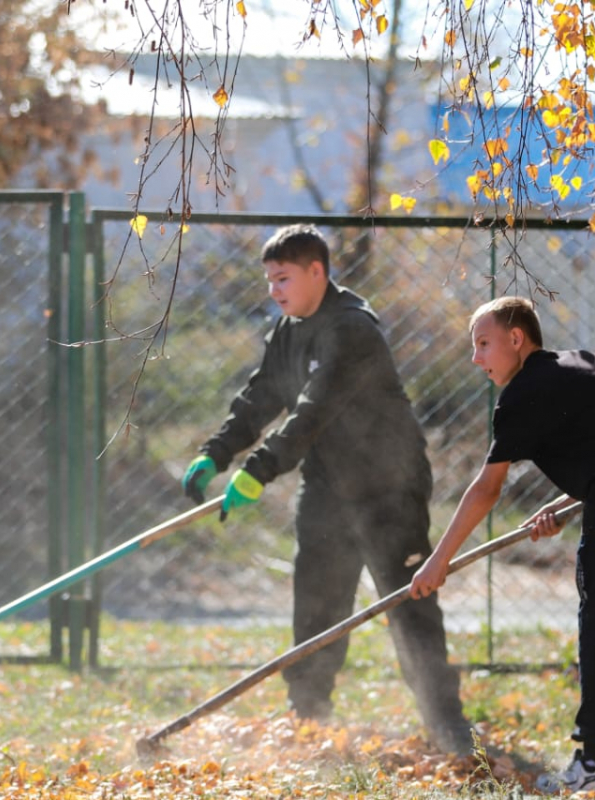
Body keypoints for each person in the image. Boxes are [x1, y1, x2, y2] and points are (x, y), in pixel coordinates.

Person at [180, 223, 472, 754]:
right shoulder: (288, 332)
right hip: (327, 488)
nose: (274, 290)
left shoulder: (352, 330)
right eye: (269, 280)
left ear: (318, 271)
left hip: (390, 486)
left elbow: (312, 412)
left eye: (283, 278)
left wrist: (259, 471)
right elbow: (261, 398)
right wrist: (216, 454)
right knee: (317, 600)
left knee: (410, 602)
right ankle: (308, 714)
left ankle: (447, 725)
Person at [409, 295, 595, 793]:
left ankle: (594, 761)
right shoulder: (583, 364)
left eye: (483, 344)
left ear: (516, 338)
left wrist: (437, 562)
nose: (476, 358)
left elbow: (487, 489)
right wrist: (574, 498)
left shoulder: (521, 395)